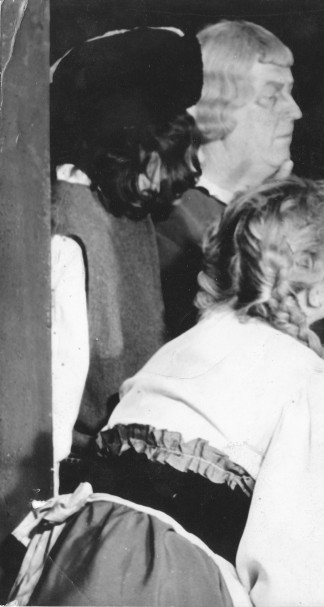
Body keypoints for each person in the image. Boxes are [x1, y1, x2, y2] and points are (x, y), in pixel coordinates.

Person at [10, 178, 324, 607]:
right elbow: (299, 573)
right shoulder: (312, 382)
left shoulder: (183, 345)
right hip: (168, 580)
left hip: (88, 552)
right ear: (318, 286)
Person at [50, 28, 203, 479]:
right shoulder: (68, 229)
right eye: (161, 156)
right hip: (83, 469)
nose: (172, 181)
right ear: (122, 147)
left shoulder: (127, 209)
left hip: (132, 450)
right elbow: (57, 402)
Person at [156, 19, 302, 339]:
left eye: (290, 93)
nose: (295, 111)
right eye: (271, 97)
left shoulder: (291, 209)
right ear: (215, 107)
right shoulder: (168, 225)